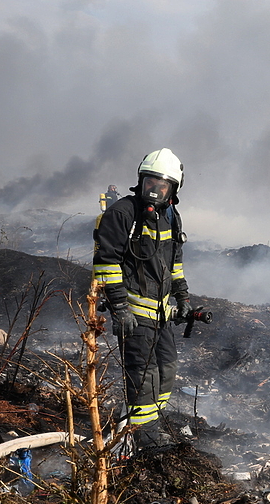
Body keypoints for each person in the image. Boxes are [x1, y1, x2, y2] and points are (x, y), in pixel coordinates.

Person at [92, 148, 191, 449]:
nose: (154, 191)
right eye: (149, 183)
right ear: (140, 180)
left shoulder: (171, 217)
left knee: (168, 370)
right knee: (143, 377)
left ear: (173, 190)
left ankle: (152, 424)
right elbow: (106, 263)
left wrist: (182, 295)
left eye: (161, 186)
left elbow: (174, 262)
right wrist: (120, 308)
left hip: (161, 316)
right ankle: (143, 442)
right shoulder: (122, 214)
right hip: (134, 316)